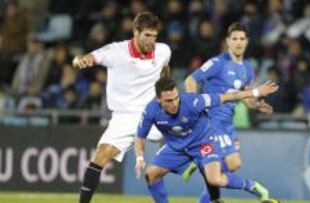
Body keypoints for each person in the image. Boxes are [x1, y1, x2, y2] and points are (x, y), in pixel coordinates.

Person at [72, 12, 171, 203]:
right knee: (99, 157)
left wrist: (166, 90)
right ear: (135, 32)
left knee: (191, 141)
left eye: (154, 36)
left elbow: (165, 69)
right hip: (123, 117)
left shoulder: (163, 50)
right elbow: (88, 57)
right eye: (147, 36)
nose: (152, 41)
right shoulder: (116, 51)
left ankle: (213, 193)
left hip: (152, 114)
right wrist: (80, 61)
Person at [134, 77, 280, 203]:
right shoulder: (150, 111)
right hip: (177, 147)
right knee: (151, 174)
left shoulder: (193, 101)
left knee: (214, 179)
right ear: (158, 99)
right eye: (169, 100)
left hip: (204, 142)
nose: (174, 103)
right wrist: (140, 157)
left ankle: (251, 186)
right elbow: (140, 136)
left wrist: (255, 92)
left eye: (176, 98)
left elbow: (228, 97)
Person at [184, 22, 274, 202]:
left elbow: (246, 96)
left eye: (242, 39)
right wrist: (194, 104)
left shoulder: (247, 68)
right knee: (231, 164)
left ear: (247, 41)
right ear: (228, 41)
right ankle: (252, 187)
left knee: (230, 167)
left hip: (227, 123)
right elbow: (191, 79)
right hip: (211, 122)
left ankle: (202, 165)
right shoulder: (218, 63)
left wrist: (256, 105)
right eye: (234, 39)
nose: (238, 42)